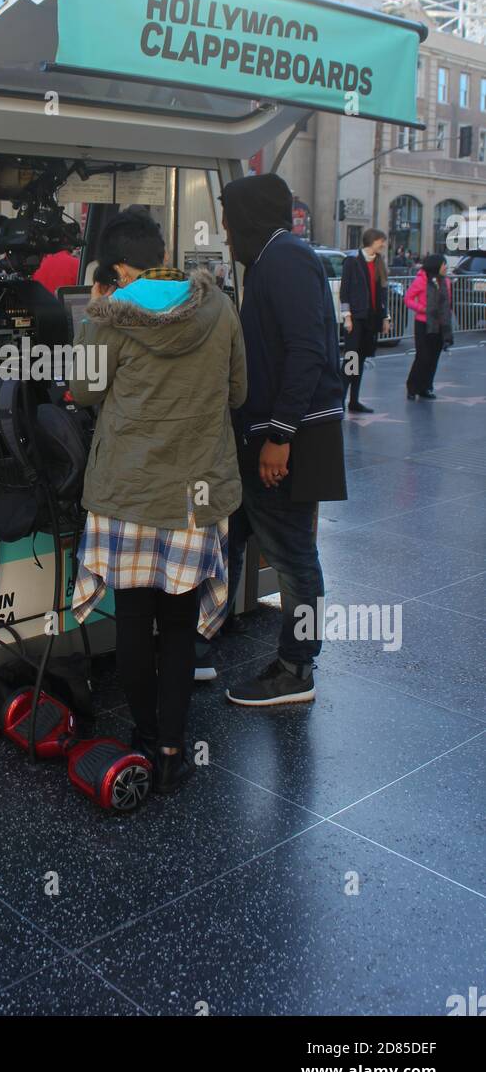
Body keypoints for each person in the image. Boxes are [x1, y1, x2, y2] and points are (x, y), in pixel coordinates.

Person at [69, 206, 246, 795]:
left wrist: (94, 311)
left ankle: (144, 738)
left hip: (128, 494)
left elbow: (84, 390)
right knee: (177, 626)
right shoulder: (218, 307)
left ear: (118, 265)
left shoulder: (110, 312)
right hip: (194, 497)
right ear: (162, 249)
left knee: (133, 621)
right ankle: (173, 748)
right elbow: (238, 391)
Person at [220, 174, 347, 707]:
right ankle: (204, 641)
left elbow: (305, 351)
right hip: (267, 436)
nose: (225, 234)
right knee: (230, 537)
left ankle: (297, 668)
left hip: (288, 440)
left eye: (229, 222)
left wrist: (280, 435)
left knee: (295, 558)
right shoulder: (271, 259)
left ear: (246, 220)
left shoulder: (287, 259)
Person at [340, 228, 392, 412]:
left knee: (361, 360)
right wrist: (347, 317)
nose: (383, 244)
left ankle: (354, 401)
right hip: (355, 319)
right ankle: (340, 401)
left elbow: (383, 292)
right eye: (381, 241)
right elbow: (344, 291)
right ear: (372, 241)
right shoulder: (352, 261)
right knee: (351, 359)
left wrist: (386, 317)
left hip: (371, 319)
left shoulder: (379, 262)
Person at [404, 254, 453, 400]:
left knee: (433, 357)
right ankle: (412, 387)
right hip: (423, 323)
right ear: (436, 266)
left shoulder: (447, 281)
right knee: (423, 356)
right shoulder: (421, 280)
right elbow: (408, 299)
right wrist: (423, 308)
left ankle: (426, 387)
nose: (446, 267)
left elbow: (447, 302)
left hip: (439, 324)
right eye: (444, 264)